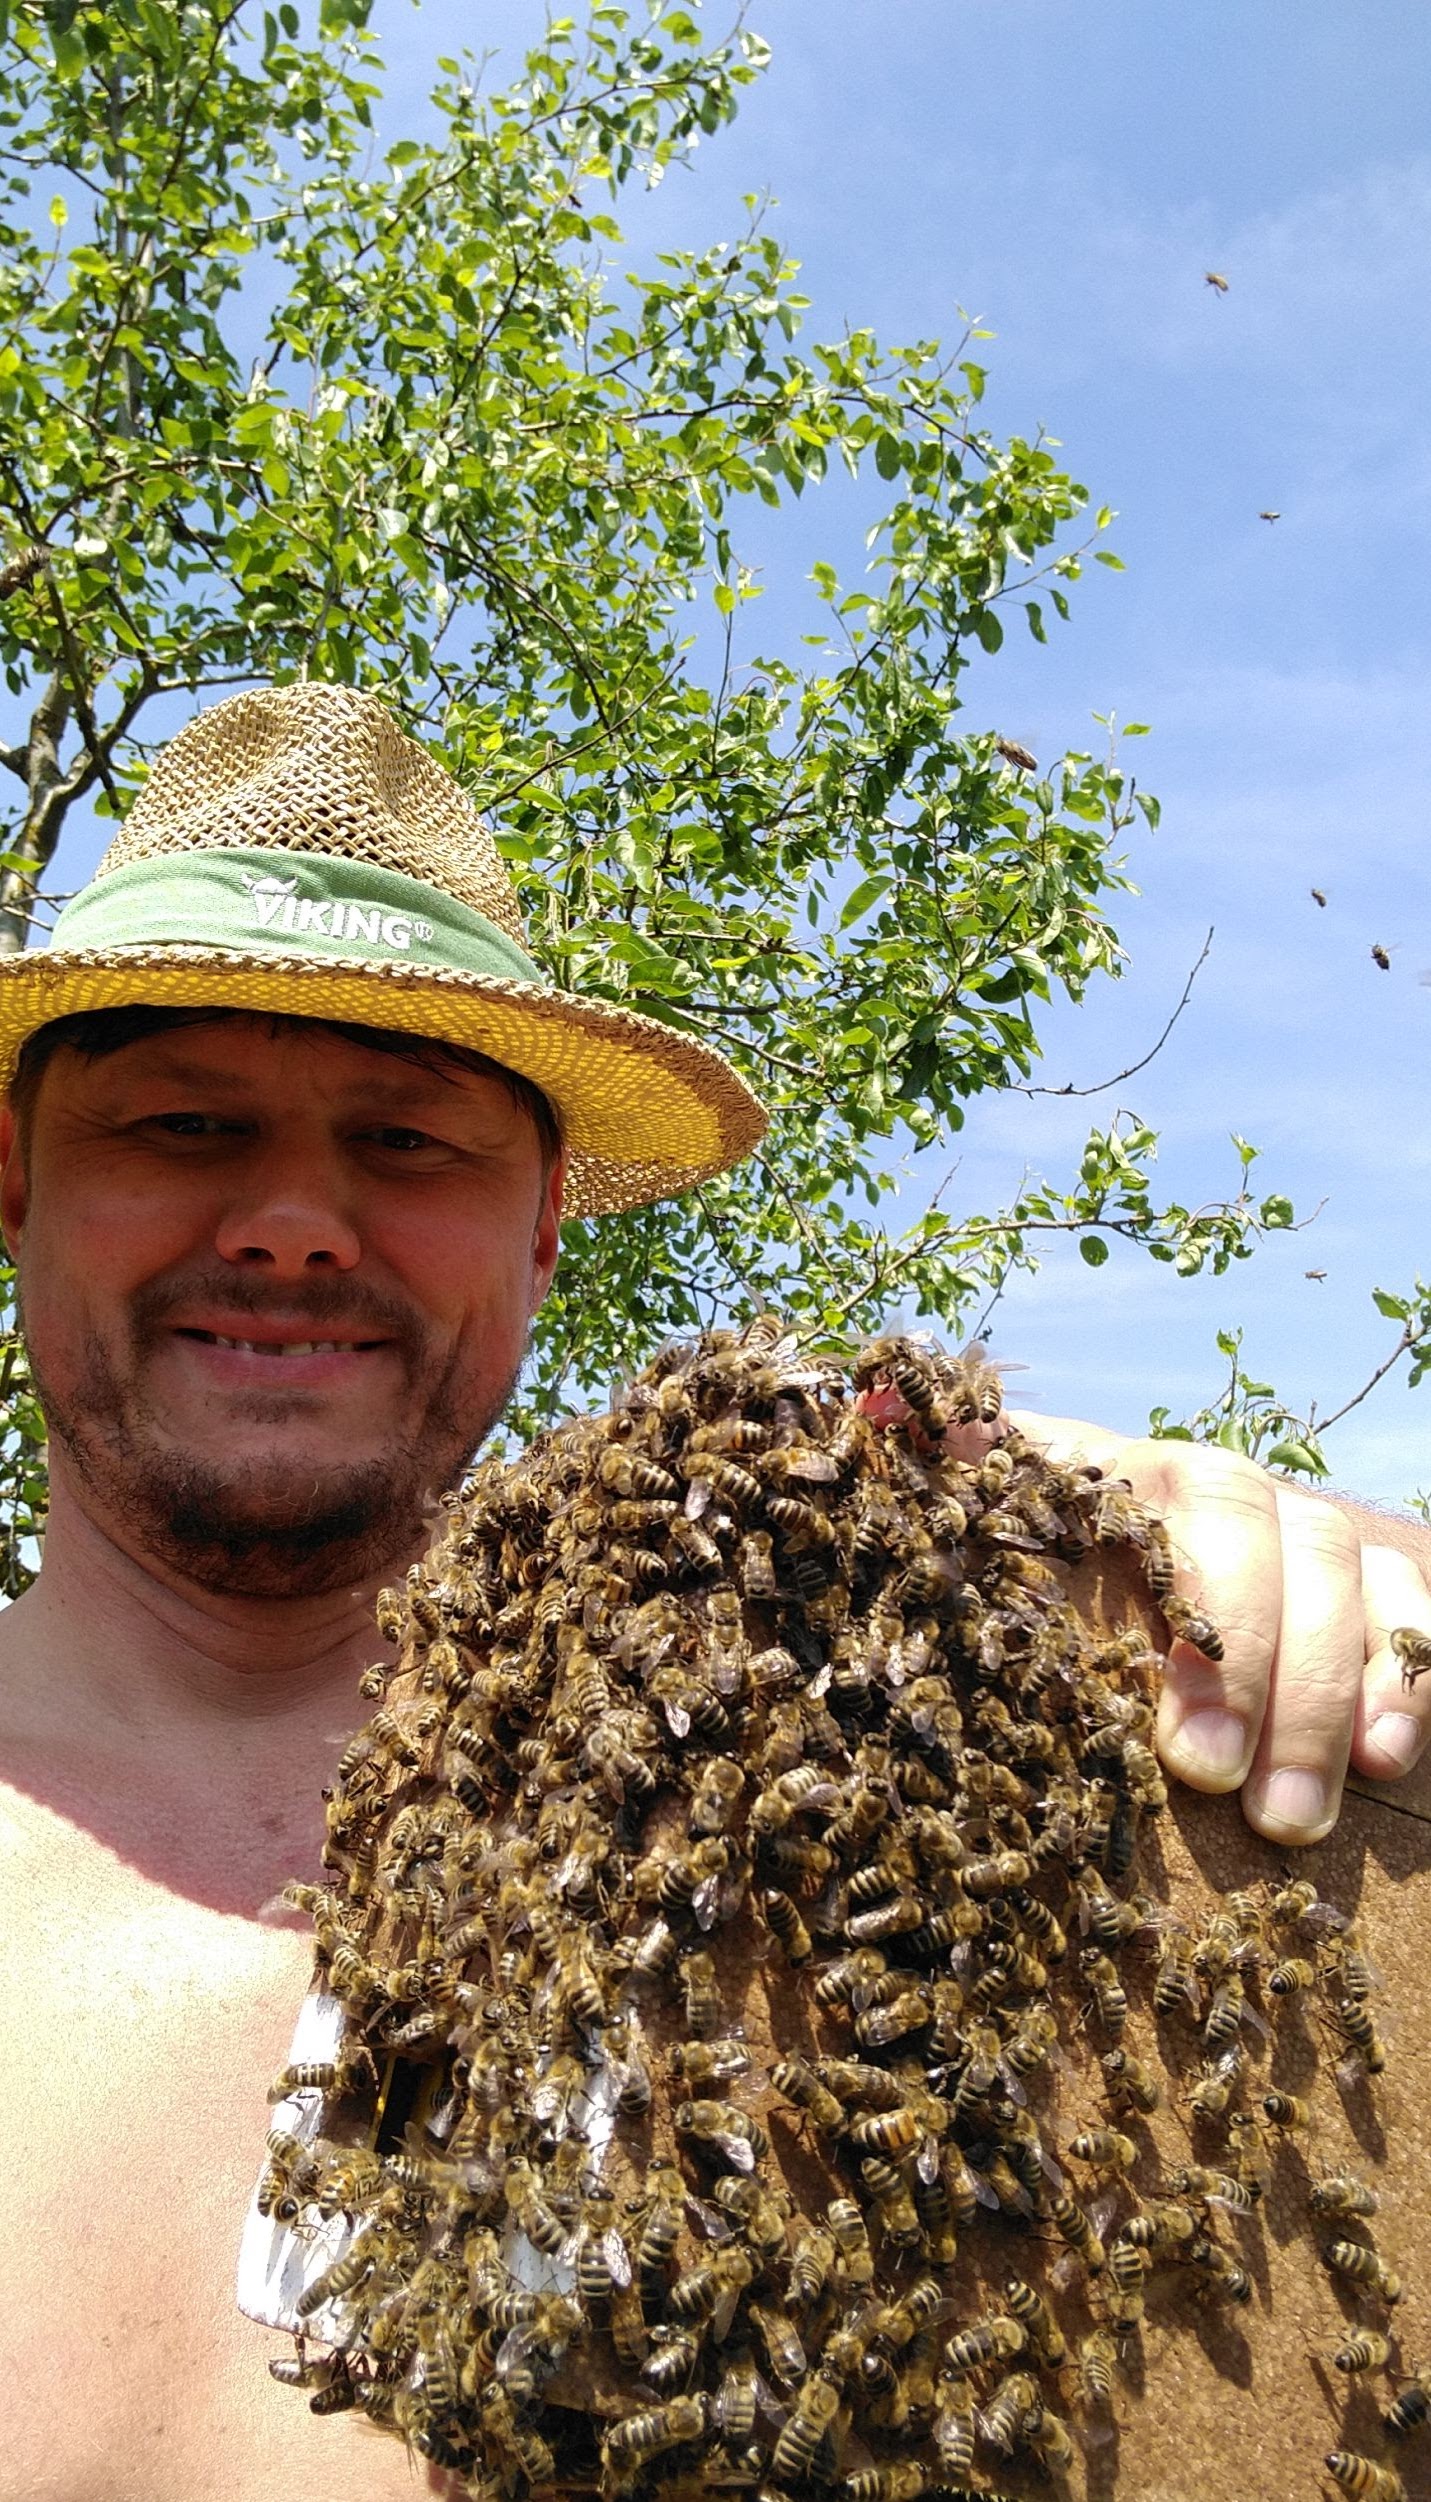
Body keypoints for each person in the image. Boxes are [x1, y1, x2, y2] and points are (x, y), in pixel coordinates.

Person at [0, 682, 1426, 2500]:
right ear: (14, 1174)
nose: (295, 1220)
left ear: (542, 1222)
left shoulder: (807, 1794)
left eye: (408, 1139)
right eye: (184, 1123)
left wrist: (1257, 1583)